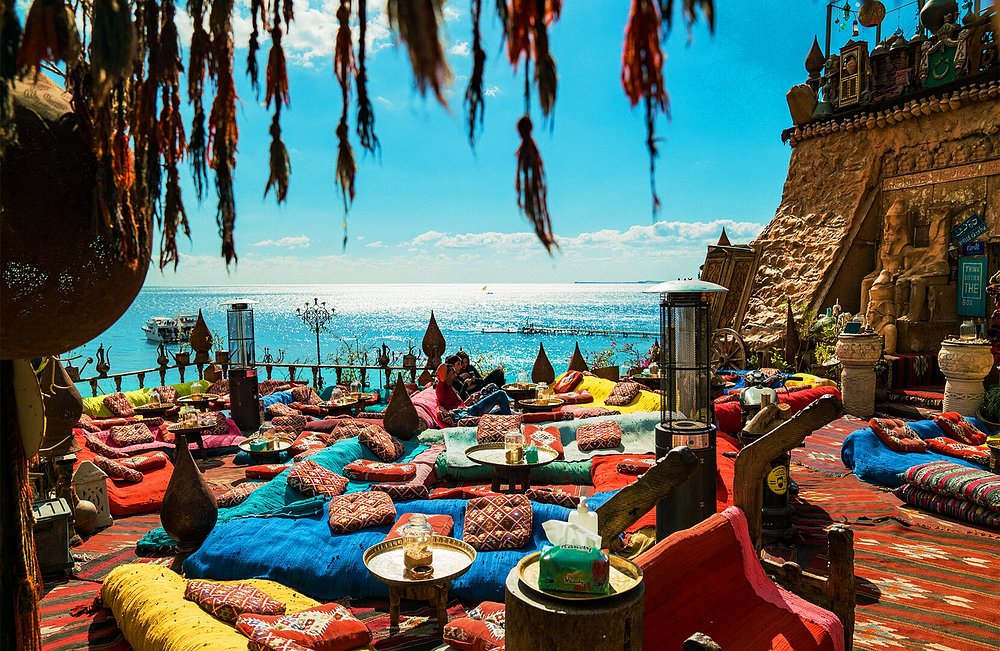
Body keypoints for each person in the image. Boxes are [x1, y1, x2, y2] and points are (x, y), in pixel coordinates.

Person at [435, 363, 512, 426]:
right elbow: (441, 369)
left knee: (500, 410)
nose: (455, 375)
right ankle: (510, 424)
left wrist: (470, 399)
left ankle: (510, 418)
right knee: (501, 394)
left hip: (468, 408)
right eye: (453, 373)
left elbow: (461, 404)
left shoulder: (449, 385)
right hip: (469, 412)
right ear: (446, 375)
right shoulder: (442, 387)